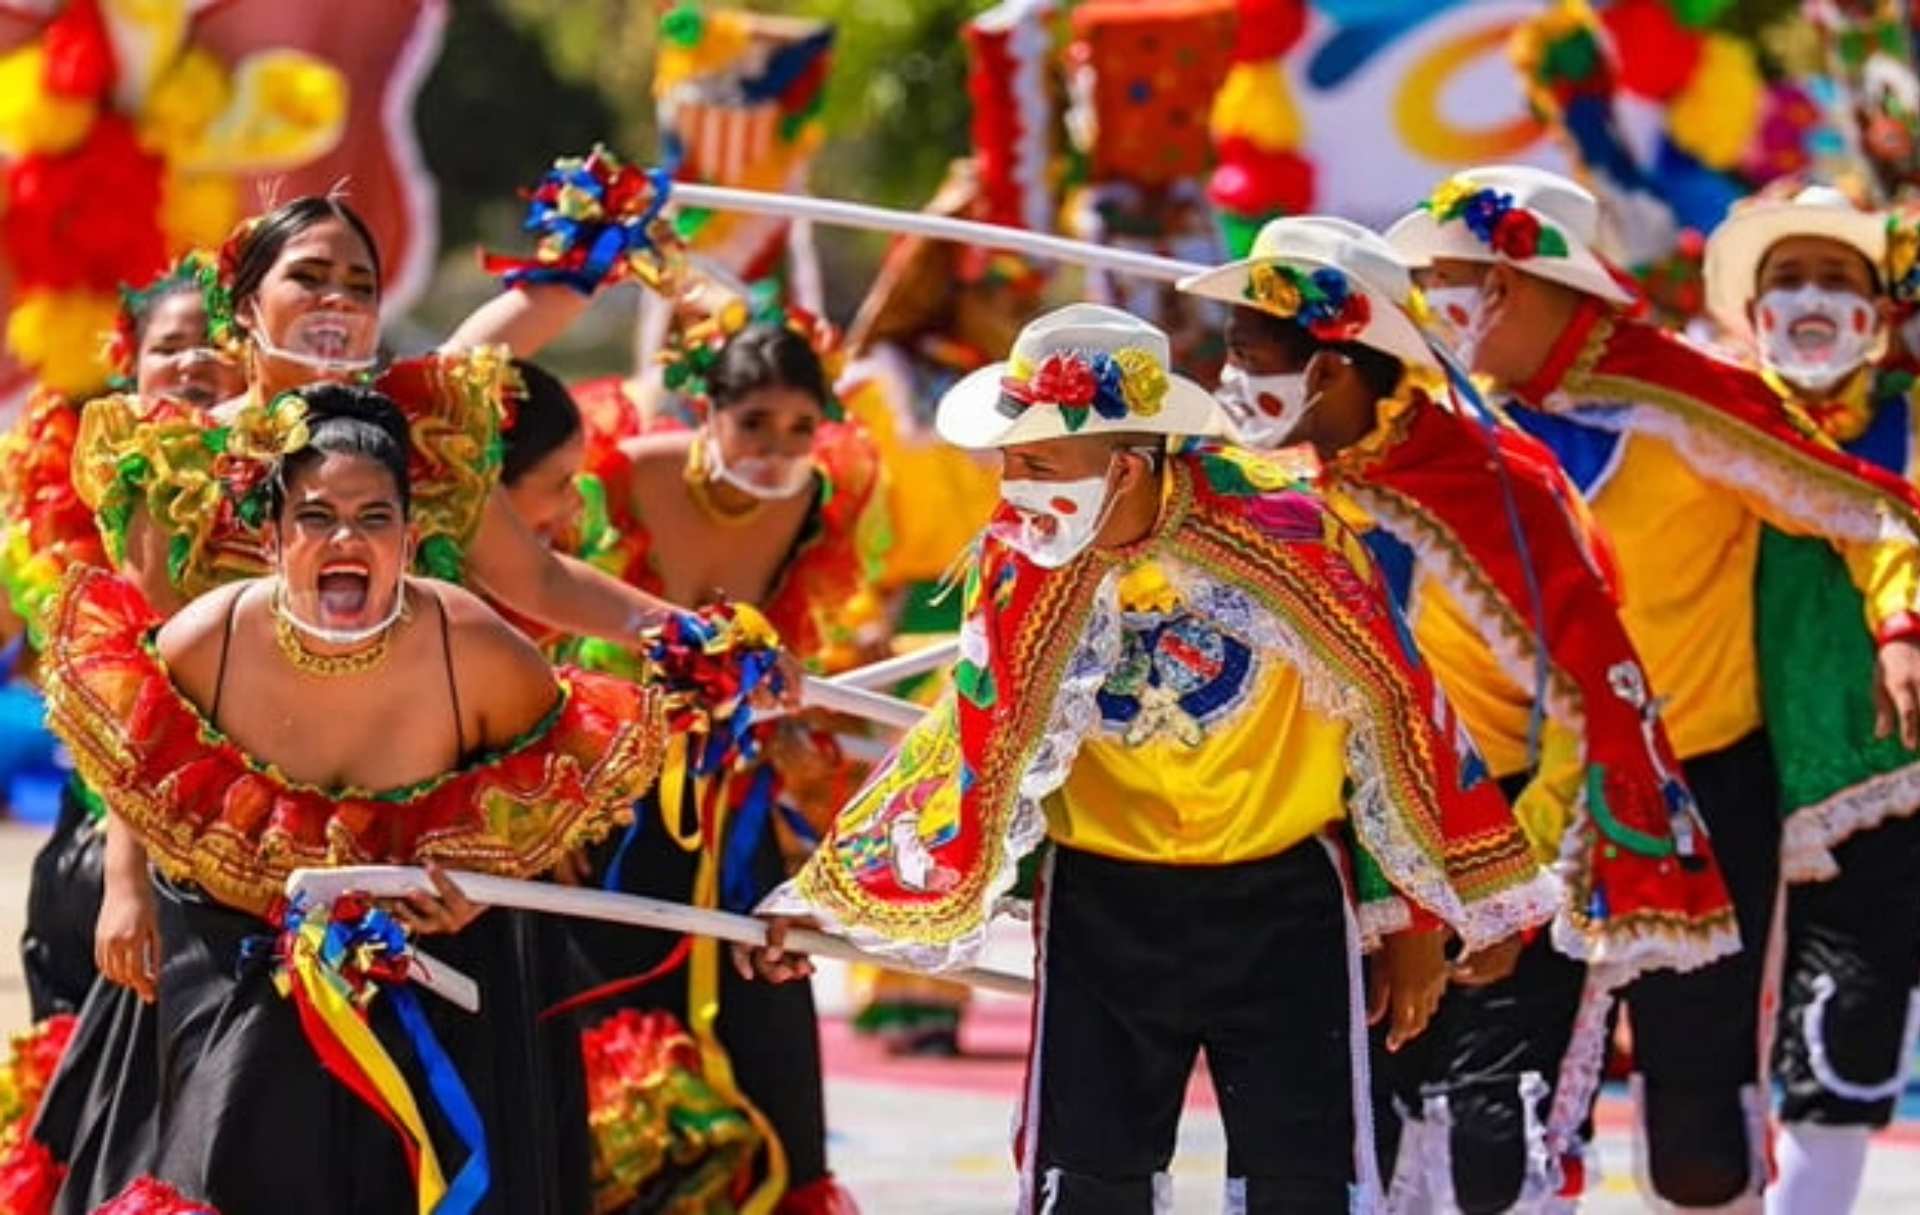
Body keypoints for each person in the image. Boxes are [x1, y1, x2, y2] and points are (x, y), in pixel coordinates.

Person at [749, 302, 1560, 1213]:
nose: (1011, 491)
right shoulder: (1021, 560)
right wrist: (832, 899)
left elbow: (1392, 712)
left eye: (1035, 466)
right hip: (1105, 908)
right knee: (1088, 1189)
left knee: (1305, 1187)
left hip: (1282, 907)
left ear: (1126, 467)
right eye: (1009, 464)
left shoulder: (1292, 537)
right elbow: (967, 736)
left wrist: (1413, 916)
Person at [1387, 165, 1920, 1213]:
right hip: (1522, 804)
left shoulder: (1699, 399)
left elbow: (1870, 511)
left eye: (1462, 278)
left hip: (1698, 797)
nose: (1440, 302)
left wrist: (1902, 627)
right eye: (1435, 281)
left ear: (1537, 287)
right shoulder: (1449, 428)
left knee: (1699, 1127)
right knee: (1497, 1115)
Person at [1180, 215, 1739, 1210]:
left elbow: (1588, 699)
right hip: (1330, 854)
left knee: (1493, 1142)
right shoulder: (1240, 487)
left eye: (1253, 356)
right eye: (1231, 350)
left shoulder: (1499, 484)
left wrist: (1501, 889)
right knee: (1346, 1134)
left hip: (1509, 844)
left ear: (1337, 368)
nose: (1231, 379)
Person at [36, 382, 670, 1214]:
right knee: (236, 1142)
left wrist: (471, 895)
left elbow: (544, 799)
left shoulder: (473, 646)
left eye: (374, 518)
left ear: (409, 540)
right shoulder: (212, 639)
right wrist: (124, 888)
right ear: (272, 538)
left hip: (425, 974)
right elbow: (133, 756)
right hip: (242, 960)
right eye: (316, 516)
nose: (346, 538)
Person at [558, 308, 883, 1215]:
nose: (778, 449)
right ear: (705, 408)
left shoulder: (824, 497)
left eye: (800, 427)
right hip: (609, 785)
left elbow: (798, 643)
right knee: (611, 998)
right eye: (753, 423)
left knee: (762, 991)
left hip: (736, 793)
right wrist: (546, 802)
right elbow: (544, 627)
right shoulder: (618, 473)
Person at [1700, 185, 1920, 1215]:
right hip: (1729, 761)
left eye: (1838, 278)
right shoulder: (1703, 423)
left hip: (1886, 766)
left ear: (1882, 311)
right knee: (1739, 1034)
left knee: (1849, 1018)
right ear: (1750, 314)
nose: (1811, 299)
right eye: (1786, 279)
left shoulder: (1911, 421)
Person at [11, 252, 246, 1024]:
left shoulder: (295, 494)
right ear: (130, 367)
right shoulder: (58, 501)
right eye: (171, 347)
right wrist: (125, 876)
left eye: (218, 344)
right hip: (103, 852)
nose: (195, 364)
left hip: (234, 858)